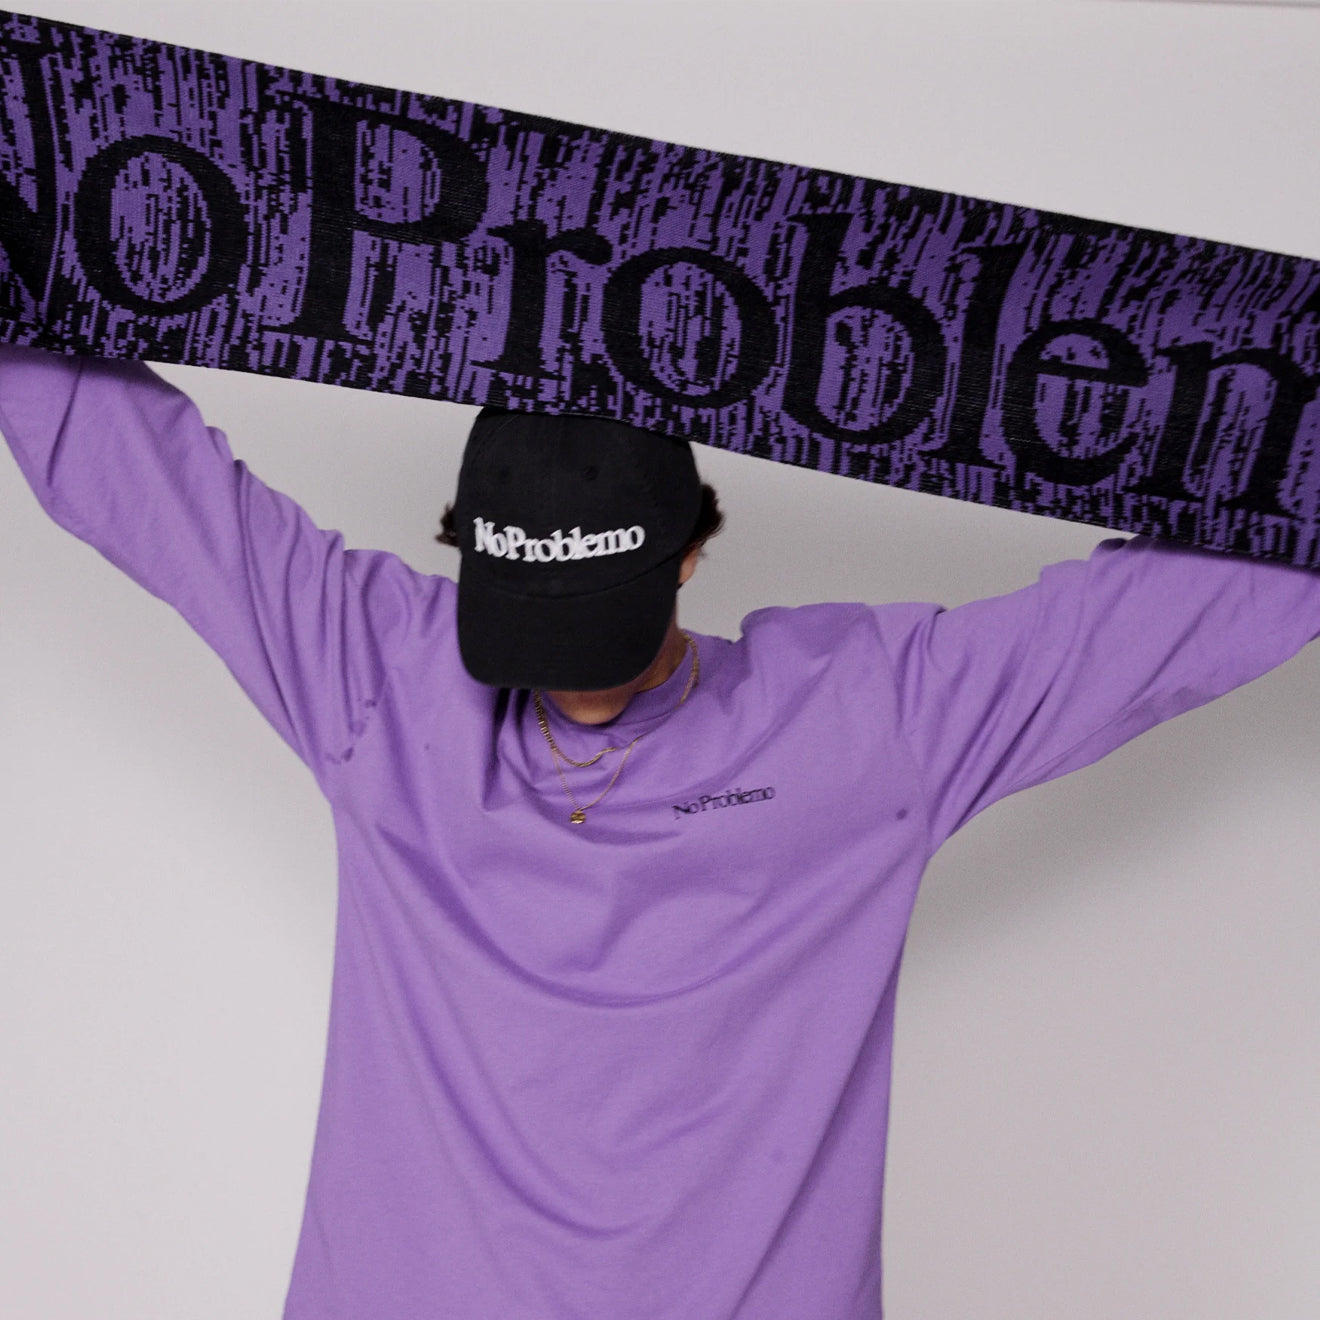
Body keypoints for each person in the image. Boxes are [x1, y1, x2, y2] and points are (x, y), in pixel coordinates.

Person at [2, 341, 1318, 1319]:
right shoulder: (382, 680)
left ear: (691, 552)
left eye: (599, 624)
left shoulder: (857, 726)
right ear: (466, 556)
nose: (567, 673)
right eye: (530, 623)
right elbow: (143, 478)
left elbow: (1151, 627)